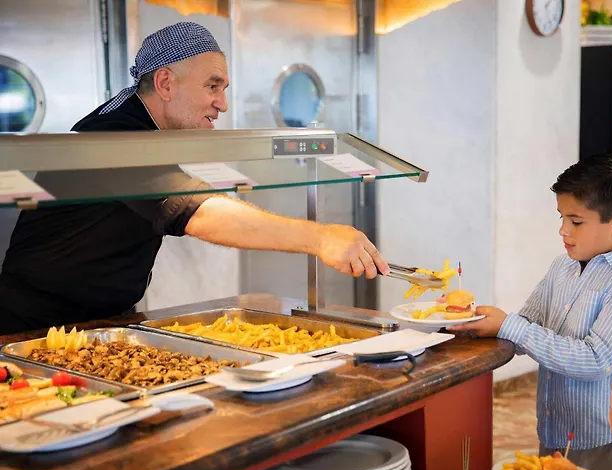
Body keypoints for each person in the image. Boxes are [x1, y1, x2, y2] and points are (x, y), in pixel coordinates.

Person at [0, 22, 388, 334]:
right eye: (212, 86)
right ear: (166, 83)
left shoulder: (141, 131)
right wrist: (321, 238)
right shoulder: (114, 137)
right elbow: (199, 212)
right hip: (34, 330)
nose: (222, 104)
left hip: (102, 324)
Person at [451, 154, 612, 470]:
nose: (563, 230)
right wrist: (469, 320)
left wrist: (509, 325)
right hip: (556, 429)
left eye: (576, 221)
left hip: (608, 440)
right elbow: (526, 327)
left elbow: (595, 360)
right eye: (561, 217)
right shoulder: (562, 267)